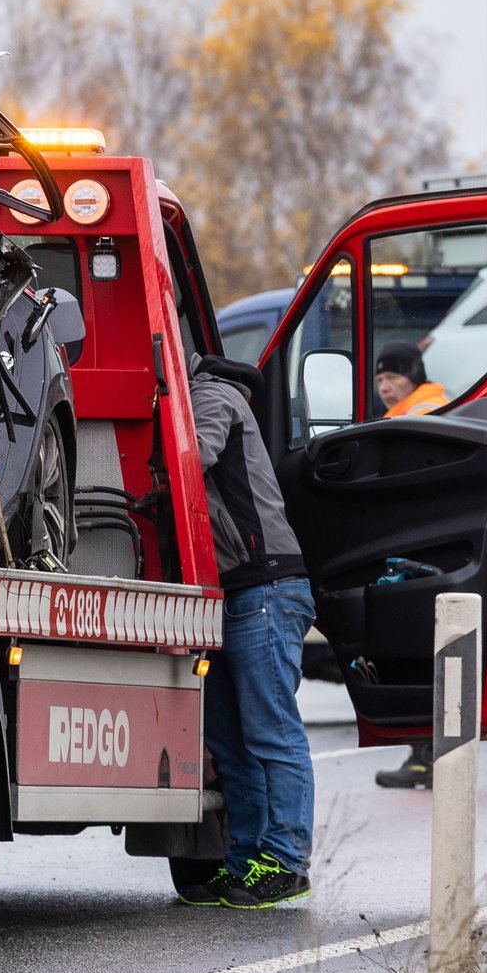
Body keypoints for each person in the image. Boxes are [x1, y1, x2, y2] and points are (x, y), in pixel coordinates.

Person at [179, 354, 315, 909]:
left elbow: (192, 458)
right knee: (231, 744)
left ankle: (287, 861)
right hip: (233, 593)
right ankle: (246, 860)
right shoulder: (206, 397)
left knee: (271, 733)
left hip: (266, 589)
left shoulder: (212, 396)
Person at [372, 341, 446, 790]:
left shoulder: (421, 411)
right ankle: (427, 756)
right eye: (379, 379)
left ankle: (426, 757)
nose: (384, 386)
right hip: (427, 544)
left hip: (421, 546)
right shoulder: (415, 408)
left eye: (392, 377)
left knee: (421, 653)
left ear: (413, 375)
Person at [375, 342, 448, 418]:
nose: (383, 388)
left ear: (416, 378)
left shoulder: (425, 413)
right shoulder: (403, 415)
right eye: (380, 380)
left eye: (392, 378)